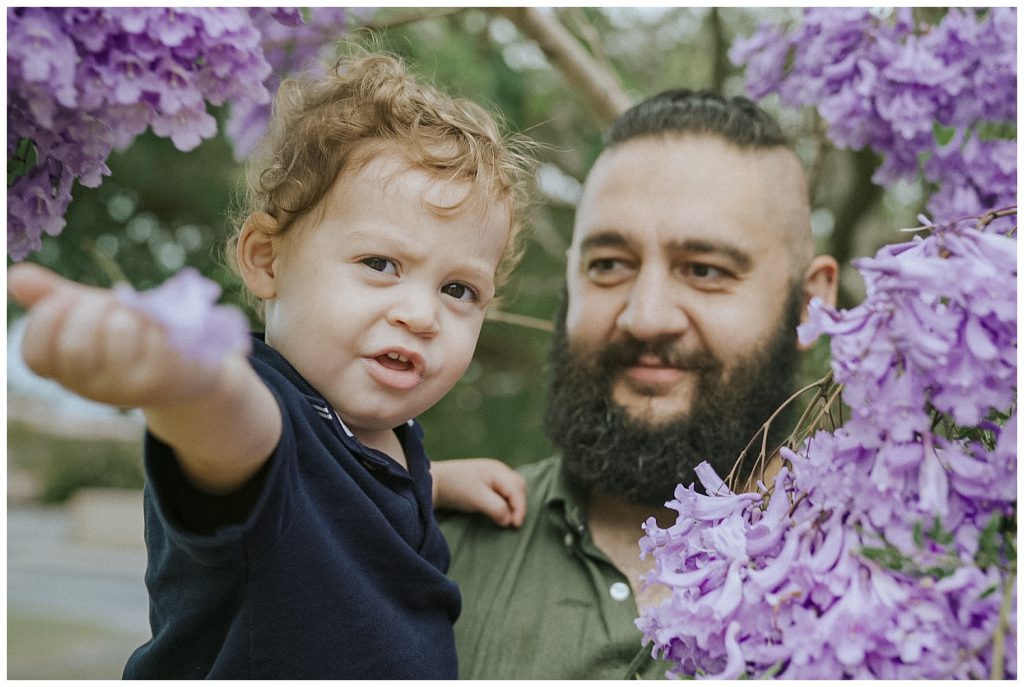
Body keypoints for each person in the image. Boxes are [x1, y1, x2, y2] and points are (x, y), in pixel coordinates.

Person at [7, 52, 533, 679]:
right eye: (379, 264)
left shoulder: (376, 433)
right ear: (267, 260)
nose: (421, 315)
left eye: (459, 291)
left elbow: (336, 486)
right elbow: (240, 439)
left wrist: (434, 481)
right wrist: (186, 380)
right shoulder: (259, 402)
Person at [439, 89, 840, 679]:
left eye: (705, 271)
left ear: (809, 305)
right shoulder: (416, 547)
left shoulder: (910, 566)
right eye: (609, 265)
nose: (646, 316)